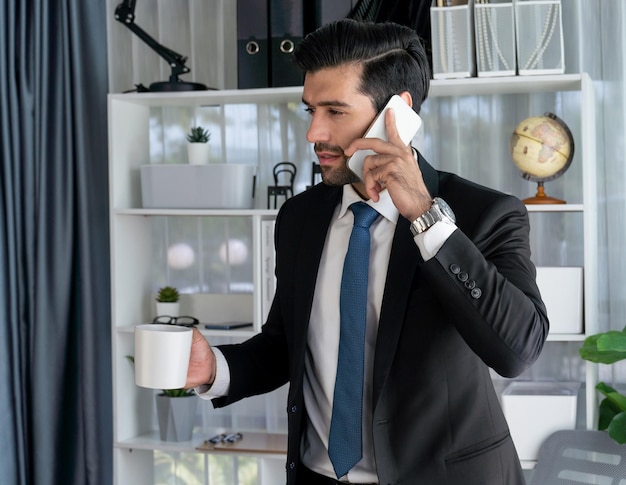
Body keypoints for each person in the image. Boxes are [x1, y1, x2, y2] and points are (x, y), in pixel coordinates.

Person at [186, 19, 549, 485]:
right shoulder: (300, 218)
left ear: (397, 114)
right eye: (310, 110)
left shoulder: (486, 214)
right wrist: (214, 368)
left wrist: (423, 214)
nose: (313, 133)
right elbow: (285, 345)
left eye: (335, 111)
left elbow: (518, 350)